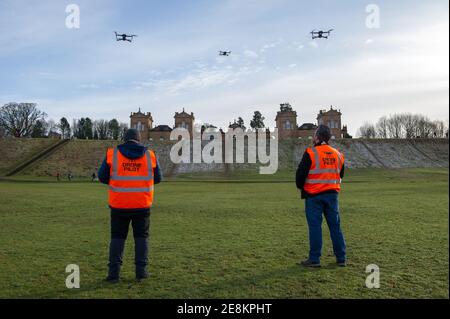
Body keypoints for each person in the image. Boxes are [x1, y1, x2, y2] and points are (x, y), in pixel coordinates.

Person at [98, 129, 162, 282]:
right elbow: (158, 178)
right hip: (142, 204)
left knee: (117, 238)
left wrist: (119, 182)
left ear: (124, 139)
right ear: (139, 140)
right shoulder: (150, 155)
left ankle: (113, 275)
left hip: (119, 204)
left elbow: (102, 177)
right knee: (142, 238)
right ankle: (141, 273)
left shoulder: (112, 154)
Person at [295, 125, 346, 268]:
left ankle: (314, 259)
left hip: (313, 196)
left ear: (317, 137)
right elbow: (340, 174)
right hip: (332, 195)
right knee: (335, 226)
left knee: (315, 227)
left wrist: (301, 187)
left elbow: (300, 175)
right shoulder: (338, 154)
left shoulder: (311, 153)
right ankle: (341, 257)